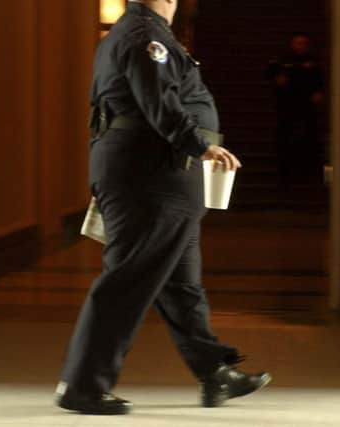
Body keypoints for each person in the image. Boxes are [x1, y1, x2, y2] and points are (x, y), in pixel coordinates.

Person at [54, 0, 272, 416]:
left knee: (180, 282)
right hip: (153, 171)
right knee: (128, 278)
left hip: (157, 169)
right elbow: (156, 97)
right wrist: (199, 143)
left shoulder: (142, 31)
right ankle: (83, 385)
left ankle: (214, 372)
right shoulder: (144, 34)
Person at [268, 33, 325, 189]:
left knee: (308, 137)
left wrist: (319, 92)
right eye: (297, 43)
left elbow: (321, 77)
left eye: (303, 43)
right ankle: (284, 176)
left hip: (307, 105)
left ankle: (307, 173)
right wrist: (278, 79)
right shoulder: (284, 60)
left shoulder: (314, 60)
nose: (300, 46)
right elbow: (270, 73)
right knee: (285, 137)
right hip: (288, 104)